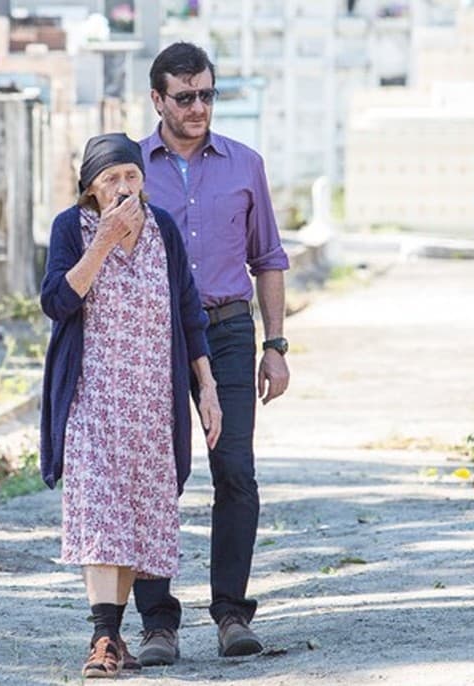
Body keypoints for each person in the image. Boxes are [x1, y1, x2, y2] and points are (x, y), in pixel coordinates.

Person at [39, 133, 222, 678]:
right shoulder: (71, 229)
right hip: (93, 398)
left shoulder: (164, 228)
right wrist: (101, 245)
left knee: (137, 519)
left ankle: (114, 636)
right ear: (90, 188)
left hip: (151, 400)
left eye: (131, 177)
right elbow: (56, 301)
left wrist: (205, 386)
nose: (123, 188)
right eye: (110, 179)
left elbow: (189, 311)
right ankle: (102, 637)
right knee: (100, 513)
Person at [133, 41, 291, 663]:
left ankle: (231, 613)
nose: (198, 107)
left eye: (207, 95)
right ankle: (157, 623)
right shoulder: (128, 168)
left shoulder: (245, 164)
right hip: (154, 336)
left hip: (227, 331)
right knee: (154, 477)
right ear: (158, 99)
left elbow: (269, 258)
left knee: (235, 471)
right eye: (185, 97)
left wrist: (275, 346)